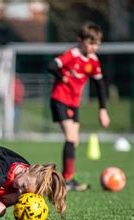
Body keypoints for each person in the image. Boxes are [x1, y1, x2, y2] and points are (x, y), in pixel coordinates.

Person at [47, 22, 110, 191]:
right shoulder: (72, 54)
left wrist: (102, 109)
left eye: (96, 43)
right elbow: (52, 66)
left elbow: (100, 85)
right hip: (60, 99)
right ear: (80, 40)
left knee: (74, 142)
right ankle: (66, 181)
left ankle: (65, 179)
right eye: (90, 42)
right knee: (71, 137)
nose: (94, 47)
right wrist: (63, 78)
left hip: (73, 103)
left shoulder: (93, 61)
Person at [0, 145, 67, 220]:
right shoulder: (1, 171)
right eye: (24, 186)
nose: (20, 191)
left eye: (25, 191)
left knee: (5, 206)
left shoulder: (26, 183)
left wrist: (41, 218)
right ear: (26, 170)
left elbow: (28, 205)